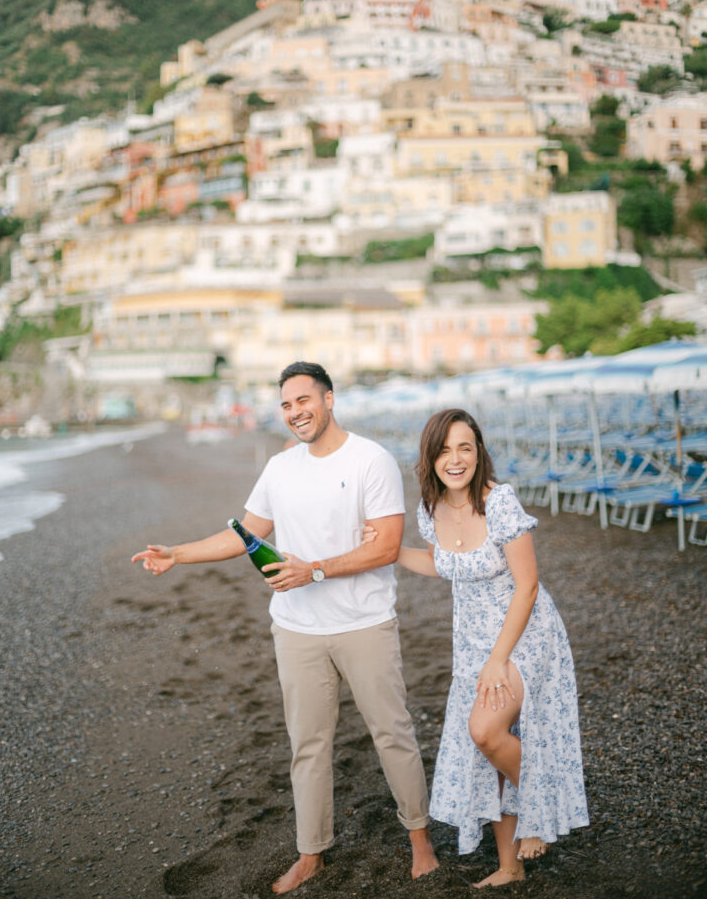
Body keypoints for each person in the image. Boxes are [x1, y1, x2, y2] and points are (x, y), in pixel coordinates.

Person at [131, 361, 438, 894]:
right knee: (308, 745)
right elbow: (245, 534)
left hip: (365, 623)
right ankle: (310, 854)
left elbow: (387, 546)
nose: (296, 412)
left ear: (329, 399)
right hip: (296, 629)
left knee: (392, 735)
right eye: (287, 404)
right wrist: (177, 553)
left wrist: (313, 569)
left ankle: (420, 842)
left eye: (305, 400)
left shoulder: (371, 460)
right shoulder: (279, 468)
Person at [386, 408, 589, 888]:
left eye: (465, 448)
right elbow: (445, 565)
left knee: (484, 730)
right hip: (472, 642)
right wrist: (389, 551)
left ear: (478, 453)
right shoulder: (429, 510)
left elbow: (528, 586)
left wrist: (499, 660)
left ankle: (538, 815)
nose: (455, 459)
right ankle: (509, 867)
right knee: (488, 751)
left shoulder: (500, 503)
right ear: (430, 458)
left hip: (525, 636)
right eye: (444, 450)